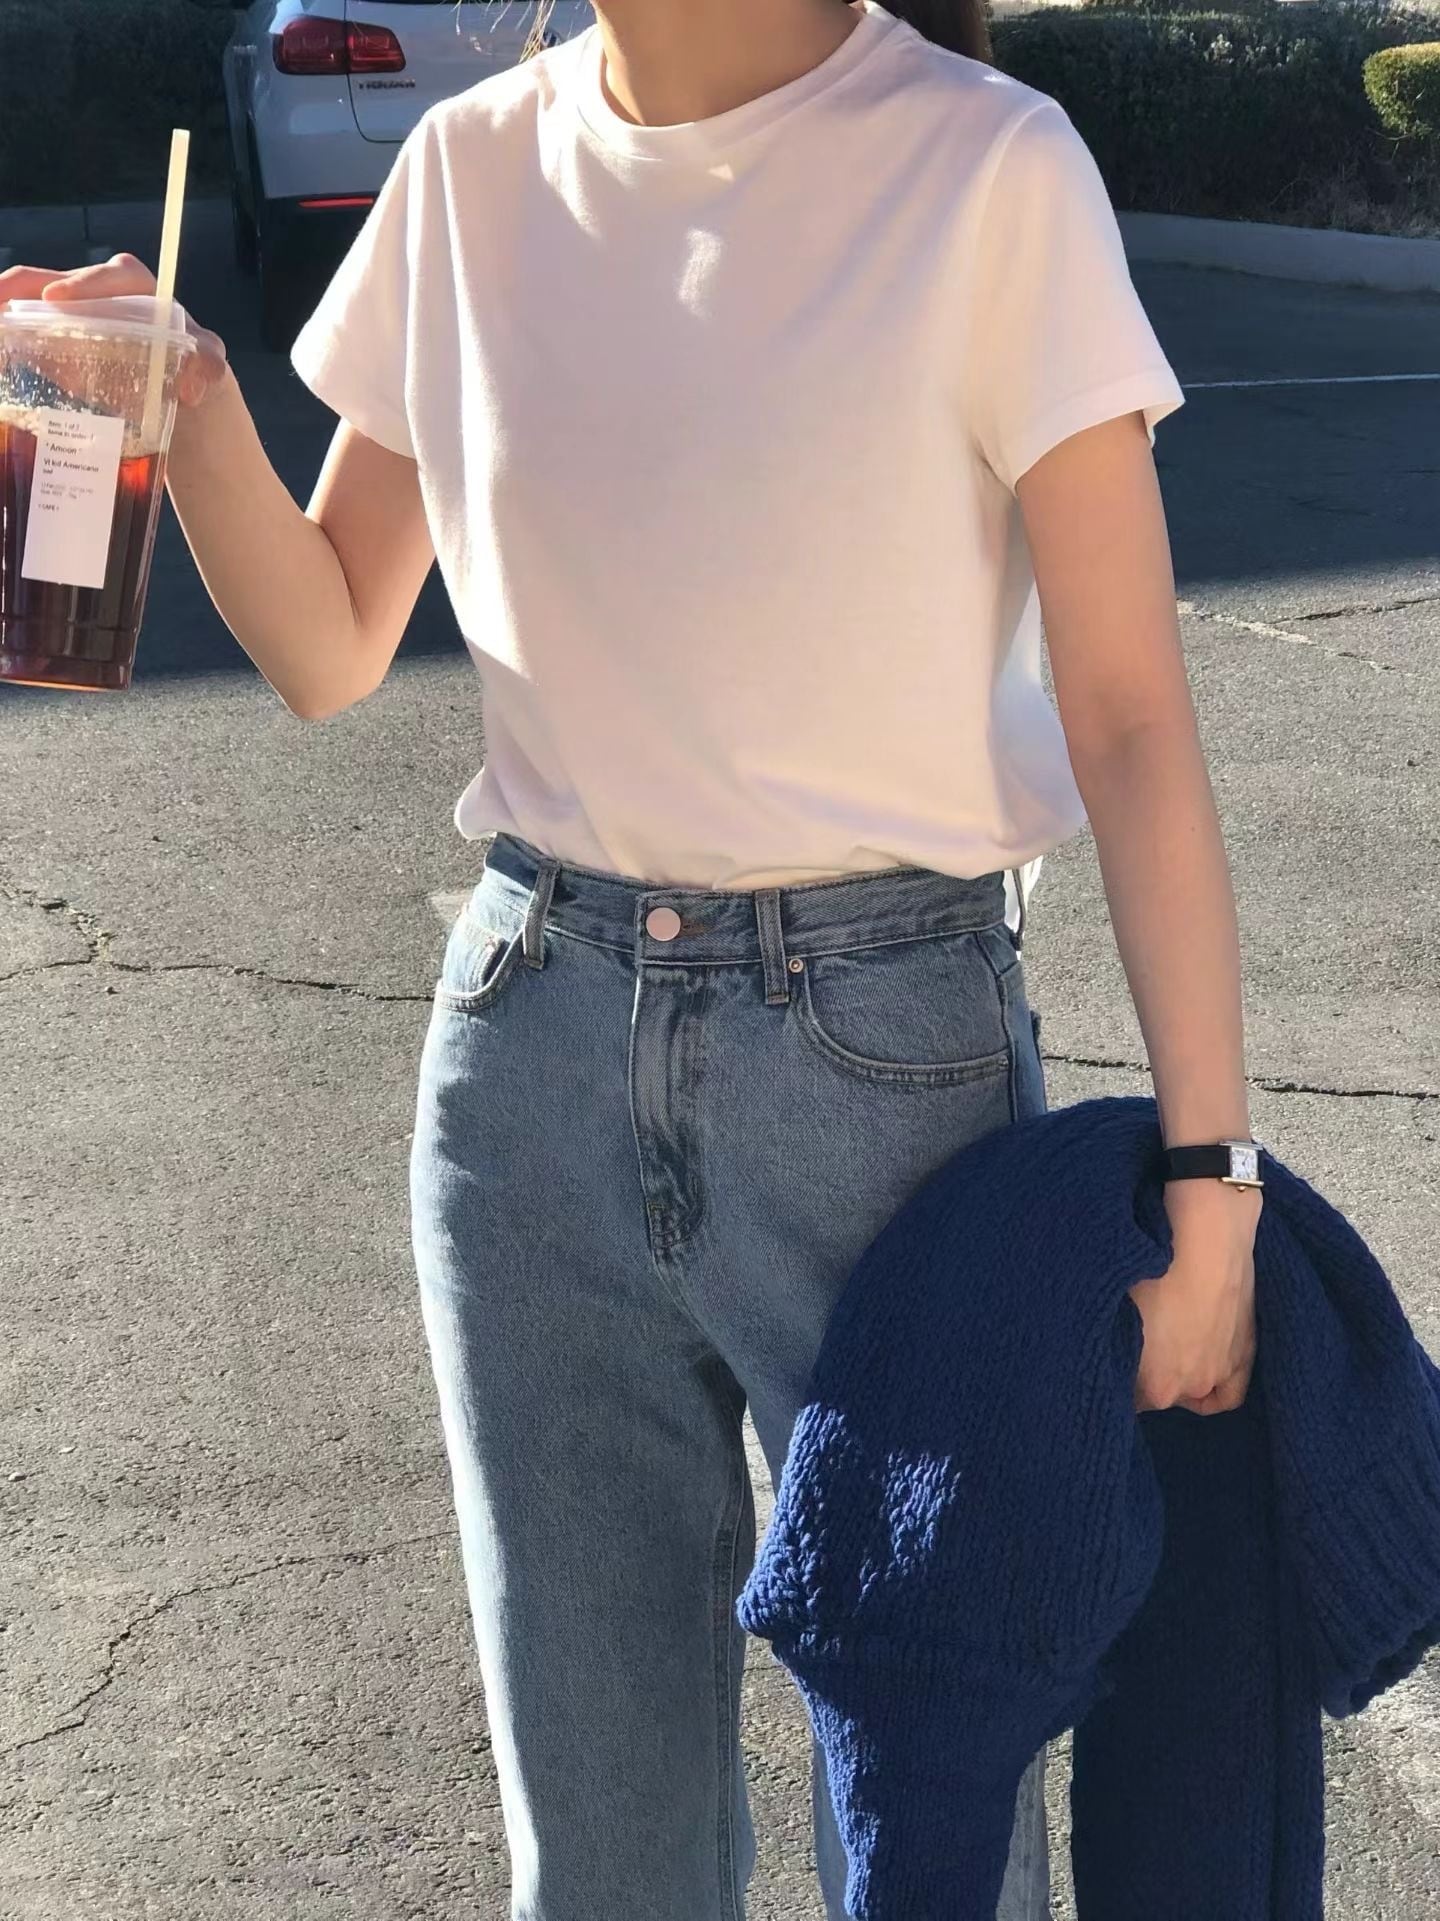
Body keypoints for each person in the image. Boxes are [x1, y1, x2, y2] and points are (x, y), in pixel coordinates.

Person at [3, 0, 1263, 1912]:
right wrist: (184, 399)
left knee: (938, 1837)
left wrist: (1211, 1179)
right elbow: (336, 638)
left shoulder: (987, 166)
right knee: (600, 1857)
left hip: (887, 1076)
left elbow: (1131, 715)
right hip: (533, 1051)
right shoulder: (470, 170)